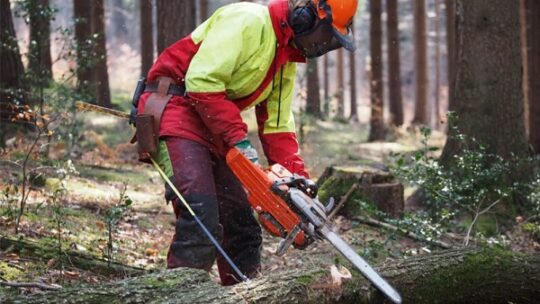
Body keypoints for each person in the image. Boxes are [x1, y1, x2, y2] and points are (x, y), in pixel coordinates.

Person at [135, 0, 358, 286]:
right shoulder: (248, 20)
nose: (322, 45)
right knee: (200, 215)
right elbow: (202, 82)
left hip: (212, 122)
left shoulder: (285, 59)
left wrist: (297, 185)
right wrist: (239, 142)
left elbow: (277, 127)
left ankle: (244, 294)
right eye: (325, 36)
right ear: (306, 17)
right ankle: (180, 293)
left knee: (242, 226)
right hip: (175, 108)